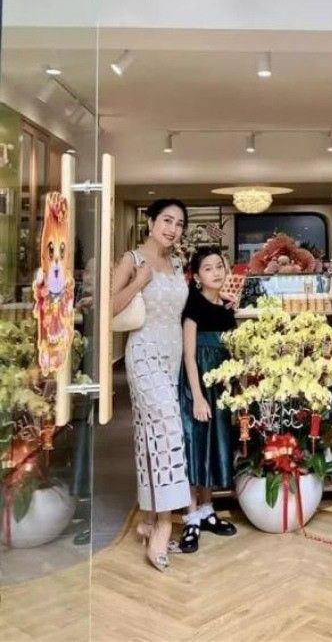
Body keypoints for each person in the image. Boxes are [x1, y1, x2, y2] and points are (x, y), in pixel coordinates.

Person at [112, 198, 190, 572]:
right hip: (143, 355)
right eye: (167, 220)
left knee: (152, 436)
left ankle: (147, 518)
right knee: (169, 429)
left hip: (172, 356)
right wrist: (139, 283)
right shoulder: (132, 260)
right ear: (151, 222)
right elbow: (109, 307)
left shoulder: (176, 264)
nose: (173, 229)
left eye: (179, 223)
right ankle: (163, 525)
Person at [178, 246, 239, 553]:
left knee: (213, 444)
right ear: (197, 276)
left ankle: (207, 510)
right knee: (195, 445)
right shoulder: (192, 304)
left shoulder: (226, 308)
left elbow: (228, 349)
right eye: (208, 268)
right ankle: (190, 518)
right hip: (197, 384)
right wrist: (197, 397)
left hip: (218, 384)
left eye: (219, 266)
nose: (215, 272)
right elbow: (188, 355)